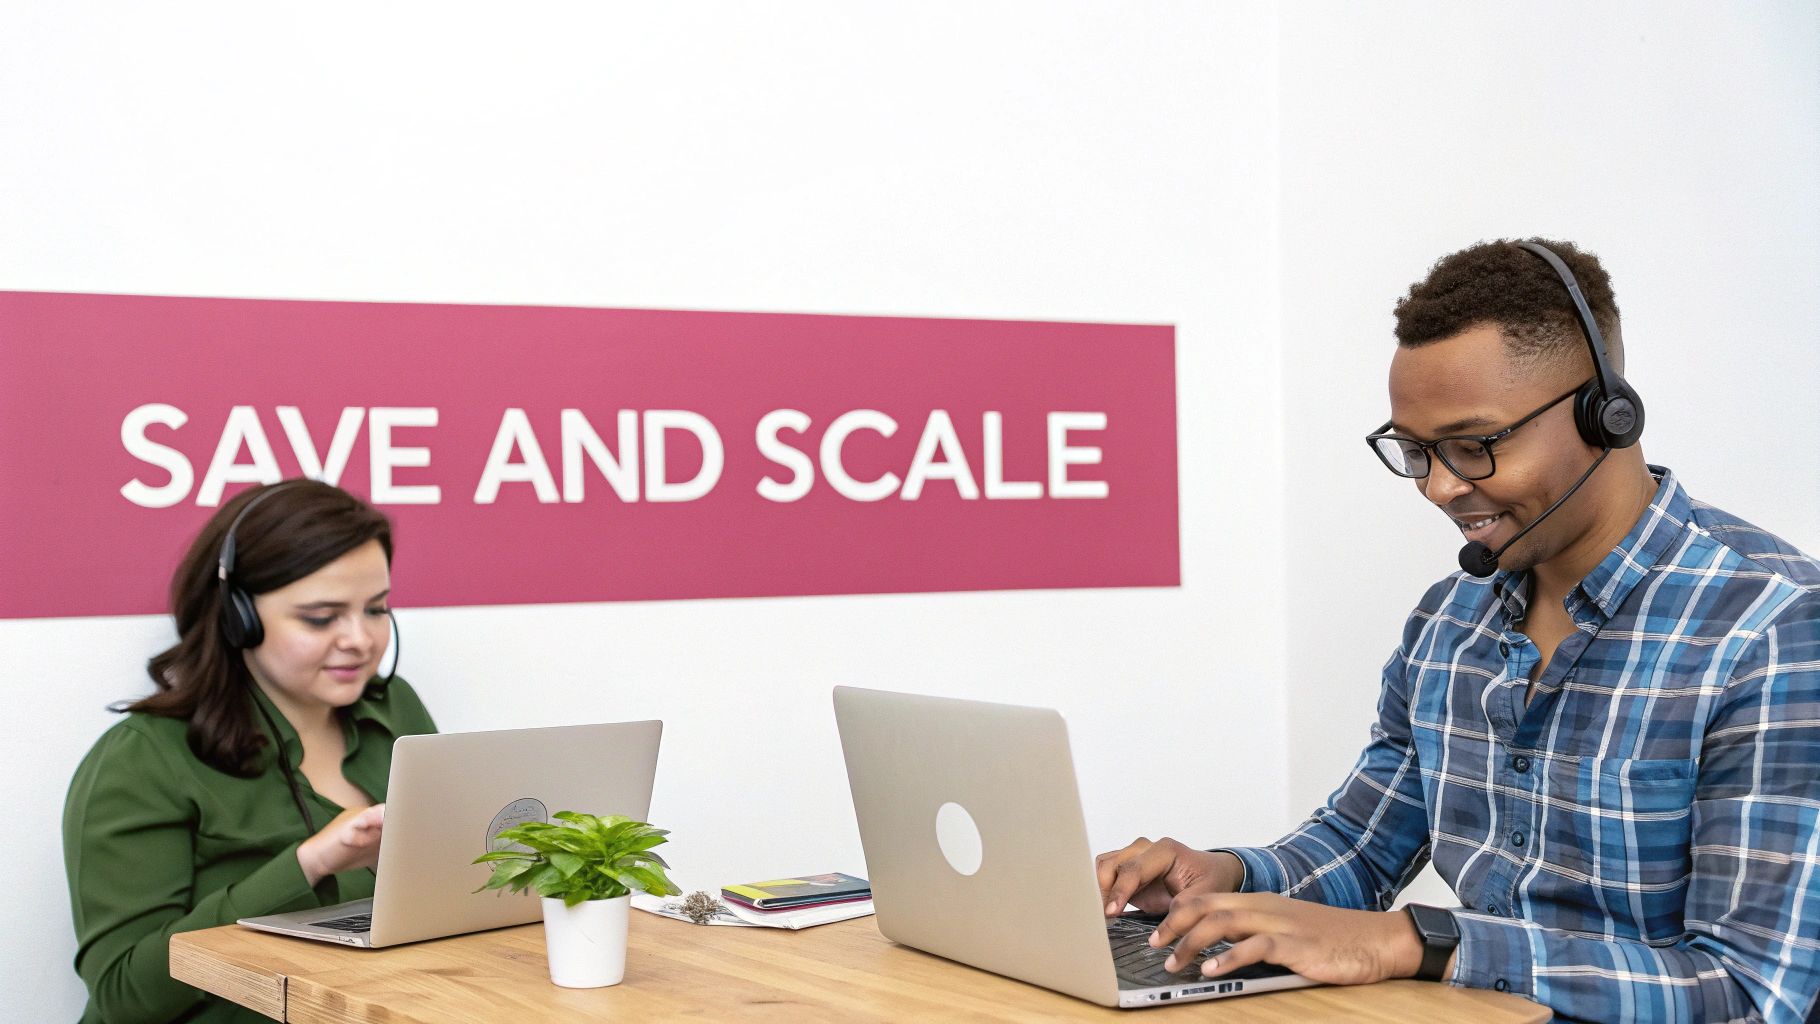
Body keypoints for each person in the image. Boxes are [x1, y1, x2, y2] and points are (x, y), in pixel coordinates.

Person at [1096, 239, 1820, 1021]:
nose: (1440, 487)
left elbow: (1753, 991)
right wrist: (1227, 877)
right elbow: (1360, 847)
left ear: (1606, 415)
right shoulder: (1450, 619)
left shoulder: (1774, 628)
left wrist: (1424, 943)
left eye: (1474, 447)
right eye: (1417, 452)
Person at [63, 480, 437, 1023]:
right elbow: (124, 994)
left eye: (376, 609)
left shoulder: (394, 709)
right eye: (320, 617)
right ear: (238, 617)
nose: (360, 640)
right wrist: (307, 866)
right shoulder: (143, 758)